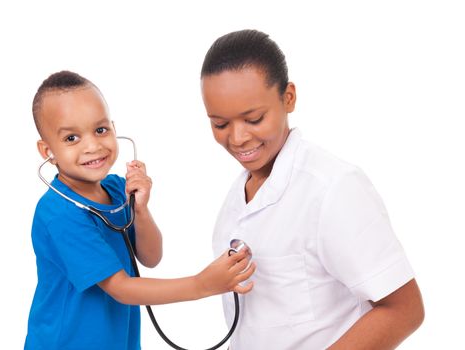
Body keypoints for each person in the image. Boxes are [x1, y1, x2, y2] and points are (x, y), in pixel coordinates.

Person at [200, 29, 424, 349]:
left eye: (254, 118)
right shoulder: (234, 203)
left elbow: (404, 310)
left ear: (288, 97)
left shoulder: (333, 187)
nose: (237, 138)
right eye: (220, 124)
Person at [25, 70, 255, 350]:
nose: (93, 146)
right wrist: (201, 284)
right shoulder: (59, 214)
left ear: (113, 127)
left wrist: (141, 209)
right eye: (72, 138)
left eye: (100, 130)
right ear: (46, 150)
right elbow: (120, 288)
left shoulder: (115, 189)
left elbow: (150, 256)